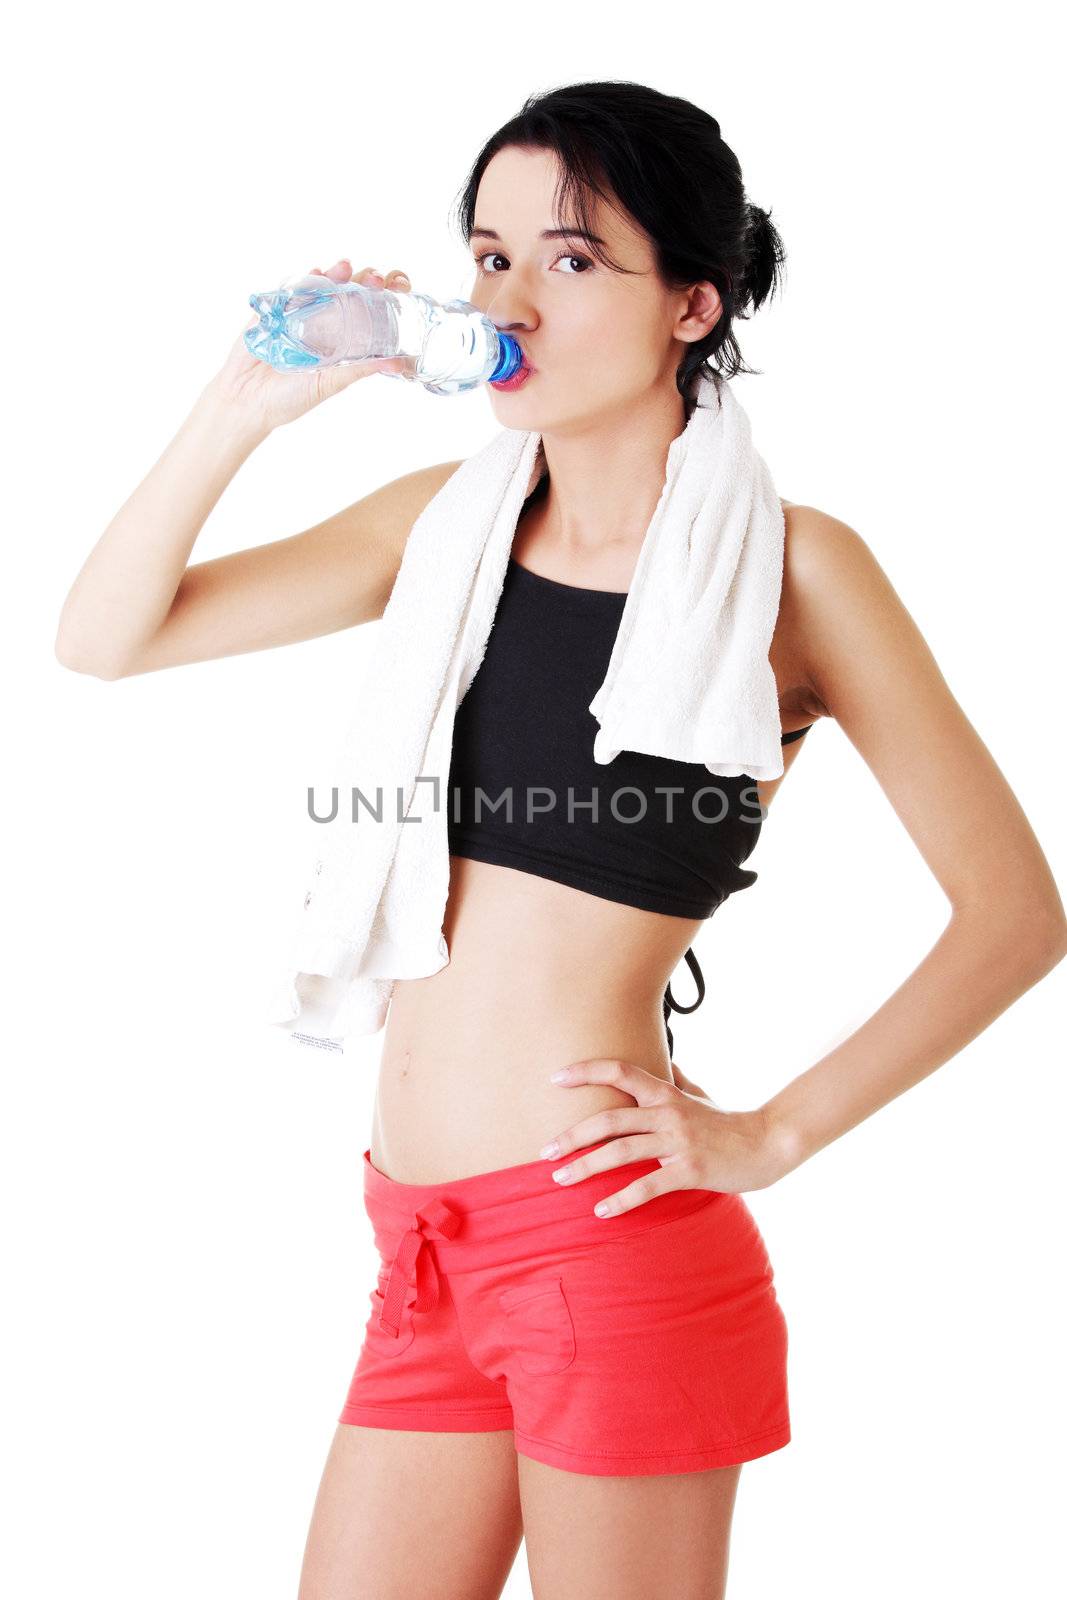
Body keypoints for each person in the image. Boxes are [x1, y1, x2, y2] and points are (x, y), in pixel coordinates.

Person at [56, 81, 1066, 1600]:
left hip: (612, 1244)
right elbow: (104, 639)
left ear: (693, 303)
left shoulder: (796, 572)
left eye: (573, 258)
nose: (508, 296)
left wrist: (771, 1136)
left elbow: (1013, 913)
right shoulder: (440, 528)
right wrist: (244, 402)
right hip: (422, 1247)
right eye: (487, 254)